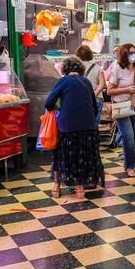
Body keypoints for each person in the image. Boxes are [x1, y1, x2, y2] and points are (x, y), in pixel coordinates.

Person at [45, 57, 104, 199]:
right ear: (80, 69)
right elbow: (94, 107)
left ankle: (56, 186)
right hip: (88, 126)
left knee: (62, 156)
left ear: (65, 69)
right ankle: (80, 188)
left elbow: (48, 103)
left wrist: (61, 107)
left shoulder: (63, 81)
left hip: (68, 126)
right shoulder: (86, 82)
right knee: (81, 156)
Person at [107, 44, 135, 177]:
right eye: (130, 53)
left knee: (134, 136)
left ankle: (130, 163)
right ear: (124, 55)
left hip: (134, 104)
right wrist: (127, 89)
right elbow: (109, 91)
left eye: (134, 52)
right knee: (128, 135)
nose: (133, 55)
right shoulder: (117, 69)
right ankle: (130, 166)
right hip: (121, 105)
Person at [76, 45, 107, 124]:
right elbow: (102, 84)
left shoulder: (76, 68)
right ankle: (94, 135)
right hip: (97, 98)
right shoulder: (97, 67)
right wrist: (94, 94)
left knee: (82, 123)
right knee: (94, 124)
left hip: (81, 97)